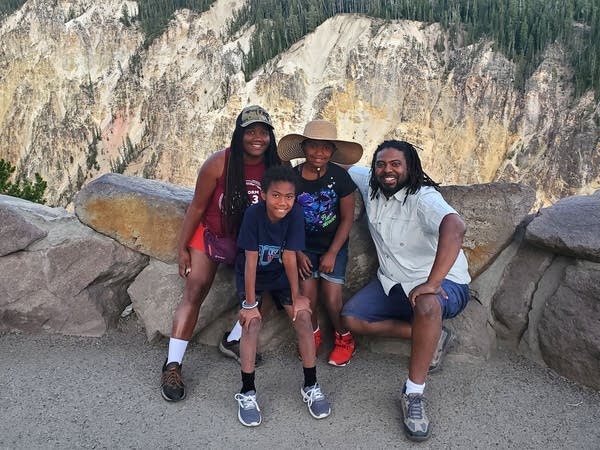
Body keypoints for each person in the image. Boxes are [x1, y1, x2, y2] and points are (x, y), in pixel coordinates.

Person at [341, 140, 471, 441]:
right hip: (394, 282)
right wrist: (297, 159)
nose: (387, 170)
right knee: (350, 318)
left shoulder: (423, 197)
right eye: (381, 164)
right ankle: (432, 336)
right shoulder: (370, 183)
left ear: (409, 167)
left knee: (428, 305)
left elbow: (455, 226)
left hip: (442, 282)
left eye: (395, 164)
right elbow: (342, 167)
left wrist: (433, 283)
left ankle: (413, 394)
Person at [160, 105, 280, 402]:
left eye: (263, 132)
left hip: (249, 241)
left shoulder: (275, 168)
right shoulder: (218, 164)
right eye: (250, 131)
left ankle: (233, 340)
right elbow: (197, 208)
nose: (257, 138)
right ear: (239, 134)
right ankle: (172, 364)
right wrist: (183, 248)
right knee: (196, 286)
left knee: (269, 290)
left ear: (270, 137)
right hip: (213, 234)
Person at [233, 165, 331, 426]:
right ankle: (247, 391)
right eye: (276, 195)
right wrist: (250, 304)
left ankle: (310, 385)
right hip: (253, 274)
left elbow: (289, 257)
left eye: (289, 197)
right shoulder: (253, 215)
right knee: (251, 323)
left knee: (303, 318)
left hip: (278, 274)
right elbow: (251, 261)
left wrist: (297, 296)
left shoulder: (295, 214)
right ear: (263, 194)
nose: (283, 202)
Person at [277, 119, 363, 366]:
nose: (319, 153)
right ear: (304, 148)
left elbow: (347, 218)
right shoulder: (291, 178)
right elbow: (286, 218)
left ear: (332, 152)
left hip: (332, 247)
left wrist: (333, 252)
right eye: (314, 146)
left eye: (325, 148)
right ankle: (312, 334)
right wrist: (298, 251)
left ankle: (344, 337)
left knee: (332, 298)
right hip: (302, 247)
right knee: (308, 297)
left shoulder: (340, 178)